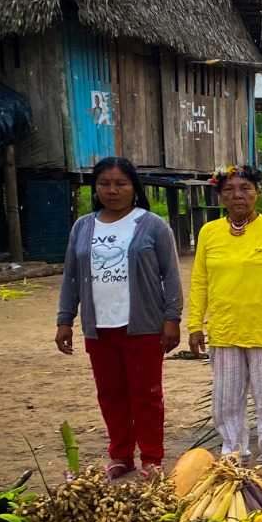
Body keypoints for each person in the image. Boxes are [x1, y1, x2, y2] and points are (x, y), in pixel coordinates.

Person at [55, 156, 182, 479]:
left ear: (133, 188)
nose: (112, 190)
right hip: (99, 327)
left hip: (142, 325)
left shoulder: (152, 225)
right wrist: (64, 319)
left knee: (146, 395)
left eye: (121, 183)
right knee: (110, 394)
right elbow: (71, 276)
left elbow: (171, 274)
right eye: (104, 183)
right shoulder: (83, 227)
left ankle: (152, 458)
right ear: (95, 188)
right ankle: (121, 454)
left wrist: (172, 317)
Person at [187, 165, 262, 470]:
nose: (237, 195)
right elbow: (200, 281)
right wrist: (195, 325)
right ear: (220, 195)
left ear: (257, 192)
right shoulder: (209, 232)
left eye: (245, 189)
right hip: (225, 330)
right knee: (226, 402)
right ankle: (233, 457)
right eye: (229, 190)